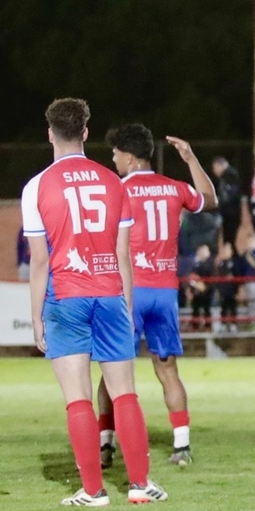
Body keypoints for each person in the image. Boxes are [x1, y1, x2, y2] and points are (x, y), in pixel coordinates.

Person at [19, 97, 168, 506]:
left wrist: (35, 319)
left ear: (50, 133)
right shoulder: (112, 181)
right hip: (110, 296)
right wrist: (128, 308)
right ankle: (140, 484)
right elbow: (123, 255)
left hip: (66, 297)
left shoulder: (36, 187)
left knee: (78, 397)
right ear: (85, 132)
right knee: (124, 393)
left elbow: (40, 261)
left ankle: (93, 491)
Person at [95, 123, 218, 470]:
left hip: (129, 292)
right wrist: (191, 159)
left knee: (112, 370)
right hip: (164, 292)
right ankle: (182, 445)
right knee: (168, 371)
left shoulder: (116, 190)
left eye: (116, 153)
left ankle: (106, 445)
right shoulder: (174, 188)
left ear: (130, 158)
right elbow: (210, 199)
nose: (114, 159)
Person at [212, 156, 243, 249]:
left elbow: (227, 196)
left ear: (220, 165)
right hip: (231, 212)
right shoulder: (230, 175)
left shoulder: (229, 176)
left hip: (230, 213)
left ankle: (232, 260)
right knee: (229, 239)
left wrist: (218, 204)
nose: (214, 171)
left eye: (214, 168)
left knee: (229, 239)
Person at [187, 243, 215, 331]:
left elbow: (212, 277)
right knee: (196, 308)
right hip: (197, 290)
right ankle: (195, 326)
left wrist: (205, 287)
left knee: (207, 309)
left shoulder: (211, 264)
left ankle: (208, 326)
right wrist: (192, 289)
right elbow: (191, 277)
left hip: (207, 290)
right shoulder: (194, 264)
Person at [214, 241, 240, 332]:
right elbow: (218, 276)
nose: (226, 252)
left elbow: (238, 276)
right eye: (225, 250)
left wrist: (237, 289)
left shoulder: (235, 262)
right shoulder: (220, 264)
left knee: (232, 307)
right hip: (223, 290)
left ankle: (233, 324)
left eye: (228, 249)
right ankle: (223, 324)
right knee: (224, 307)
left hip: (232, 289)